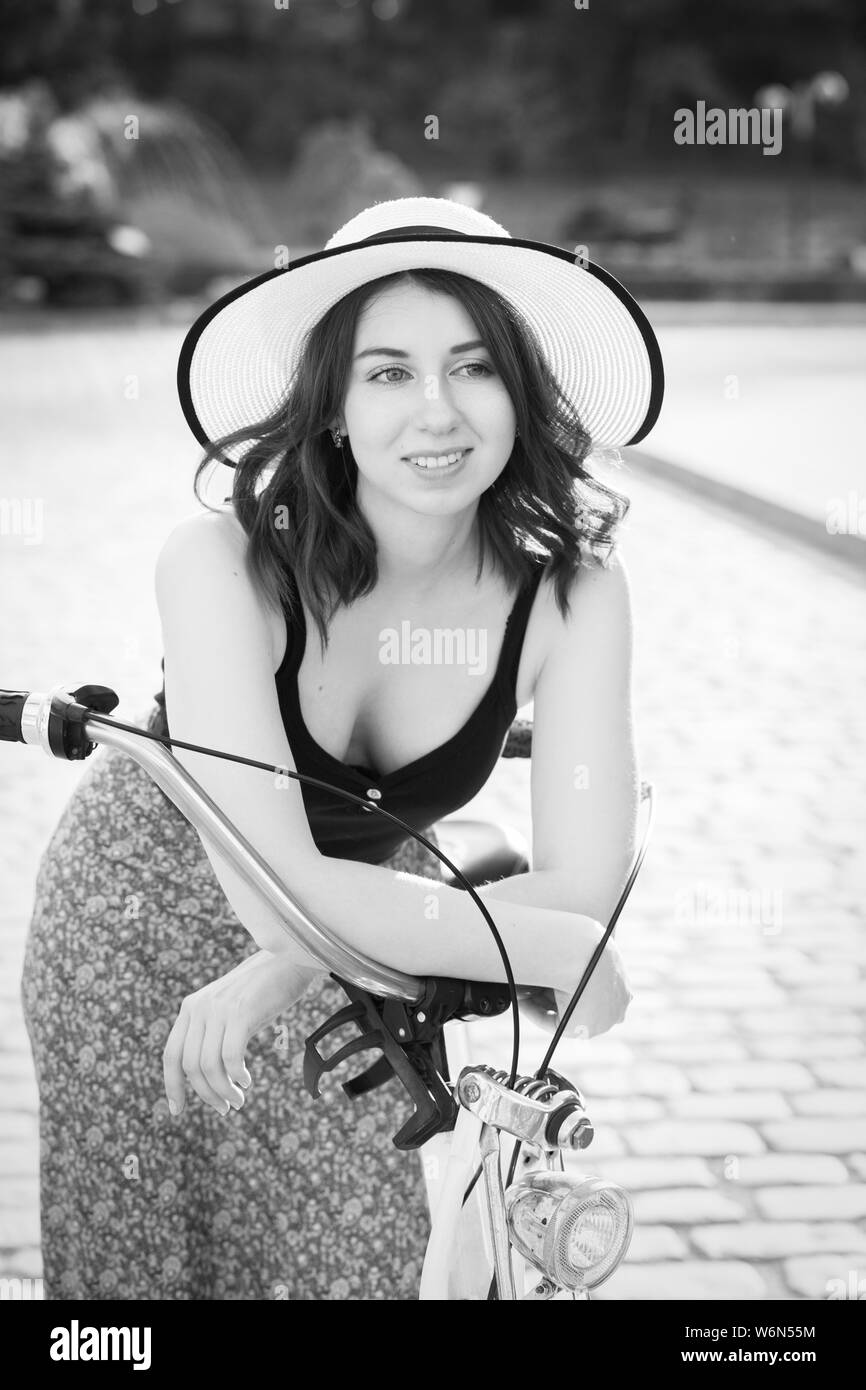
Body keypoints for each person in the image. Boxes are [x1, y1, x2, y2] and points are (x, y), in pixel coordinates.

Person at [21, 196, 664, 1301]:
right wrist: (542, 949)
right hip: (132, 929)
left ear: (520, 391)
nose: (435, 411)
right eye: (386, 373)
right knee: (145, 1280)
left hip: (379, 945)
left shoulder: (570, 593)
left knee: (368, 1262)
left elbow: (582, 883)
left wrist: (295, 955)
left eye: (472, 366)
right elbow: (280, 886)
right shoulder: (219, 565)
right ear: (329, 407)